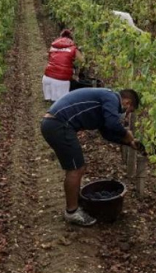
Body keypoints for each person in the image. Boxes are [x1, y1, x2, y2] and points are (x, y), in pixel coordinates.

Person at [40, 88, 141, 226]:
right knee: (76, 169)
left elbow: (106, 132)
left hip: (55, 124)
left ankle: (75, 204)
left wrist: (129, 142)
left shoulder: (105, 101)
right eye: (130, 111)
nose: (127, 115)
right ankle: (72, 212)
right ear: (127, 103)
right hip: (59, 125)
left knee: (77, 167)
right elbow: (112, 123)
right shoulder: (111, 97)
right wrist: (126, 133)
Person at [42, 29, 84, 102]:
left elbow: (49, 57)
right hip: (61, 80)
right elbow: (83, 60)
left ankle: (49, 96)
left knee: (51, 98)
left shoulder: (53, 46)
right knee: (62, 101)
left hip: (47, 78)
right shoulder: (73, 48)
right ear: (71, 39)